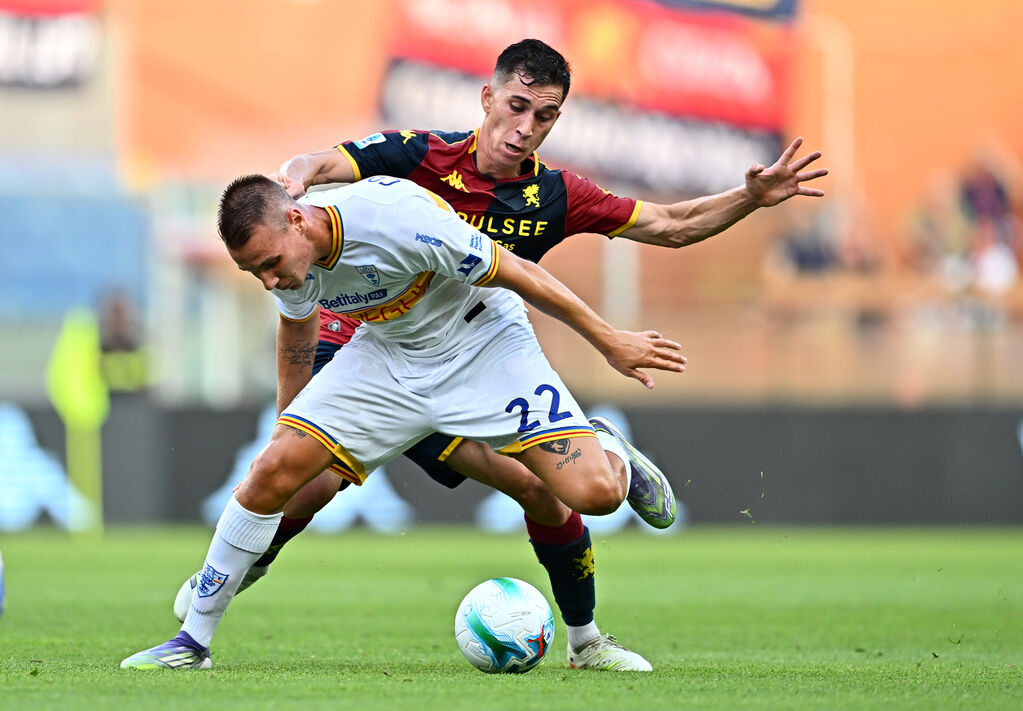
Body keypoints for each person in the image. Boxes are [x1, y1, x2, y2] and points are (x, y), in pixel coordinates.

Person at [171, 38, 828, 672]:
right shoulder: (415, 157)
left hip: (477, 348)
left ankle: (587, 634)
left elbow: (670, 226)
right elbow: (317, 167)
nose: (525, 127)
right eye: (517, 107)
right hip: (368, 349)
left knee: (540, 491)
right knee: (302, 483)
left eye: (544, 116)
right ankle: (225, 582)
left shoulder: (554, 195)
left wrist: (747, 196)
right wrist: (292, 177)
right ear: (486, 98)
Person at [121, 172, 687, 670]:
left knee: (593, 495)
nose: (270, 281)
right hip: (388, 358)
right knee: (272, 472)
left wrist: (610, 341)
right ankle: (191, 642)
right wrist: (287, 427)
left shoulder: (398, 221)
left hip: (483, 345)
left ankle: (588, 620)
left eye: (270, 265)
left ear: (297, 219)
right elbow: (297, 330)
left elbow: (515, 272)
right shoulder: (291, 266)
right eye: (255, 274)